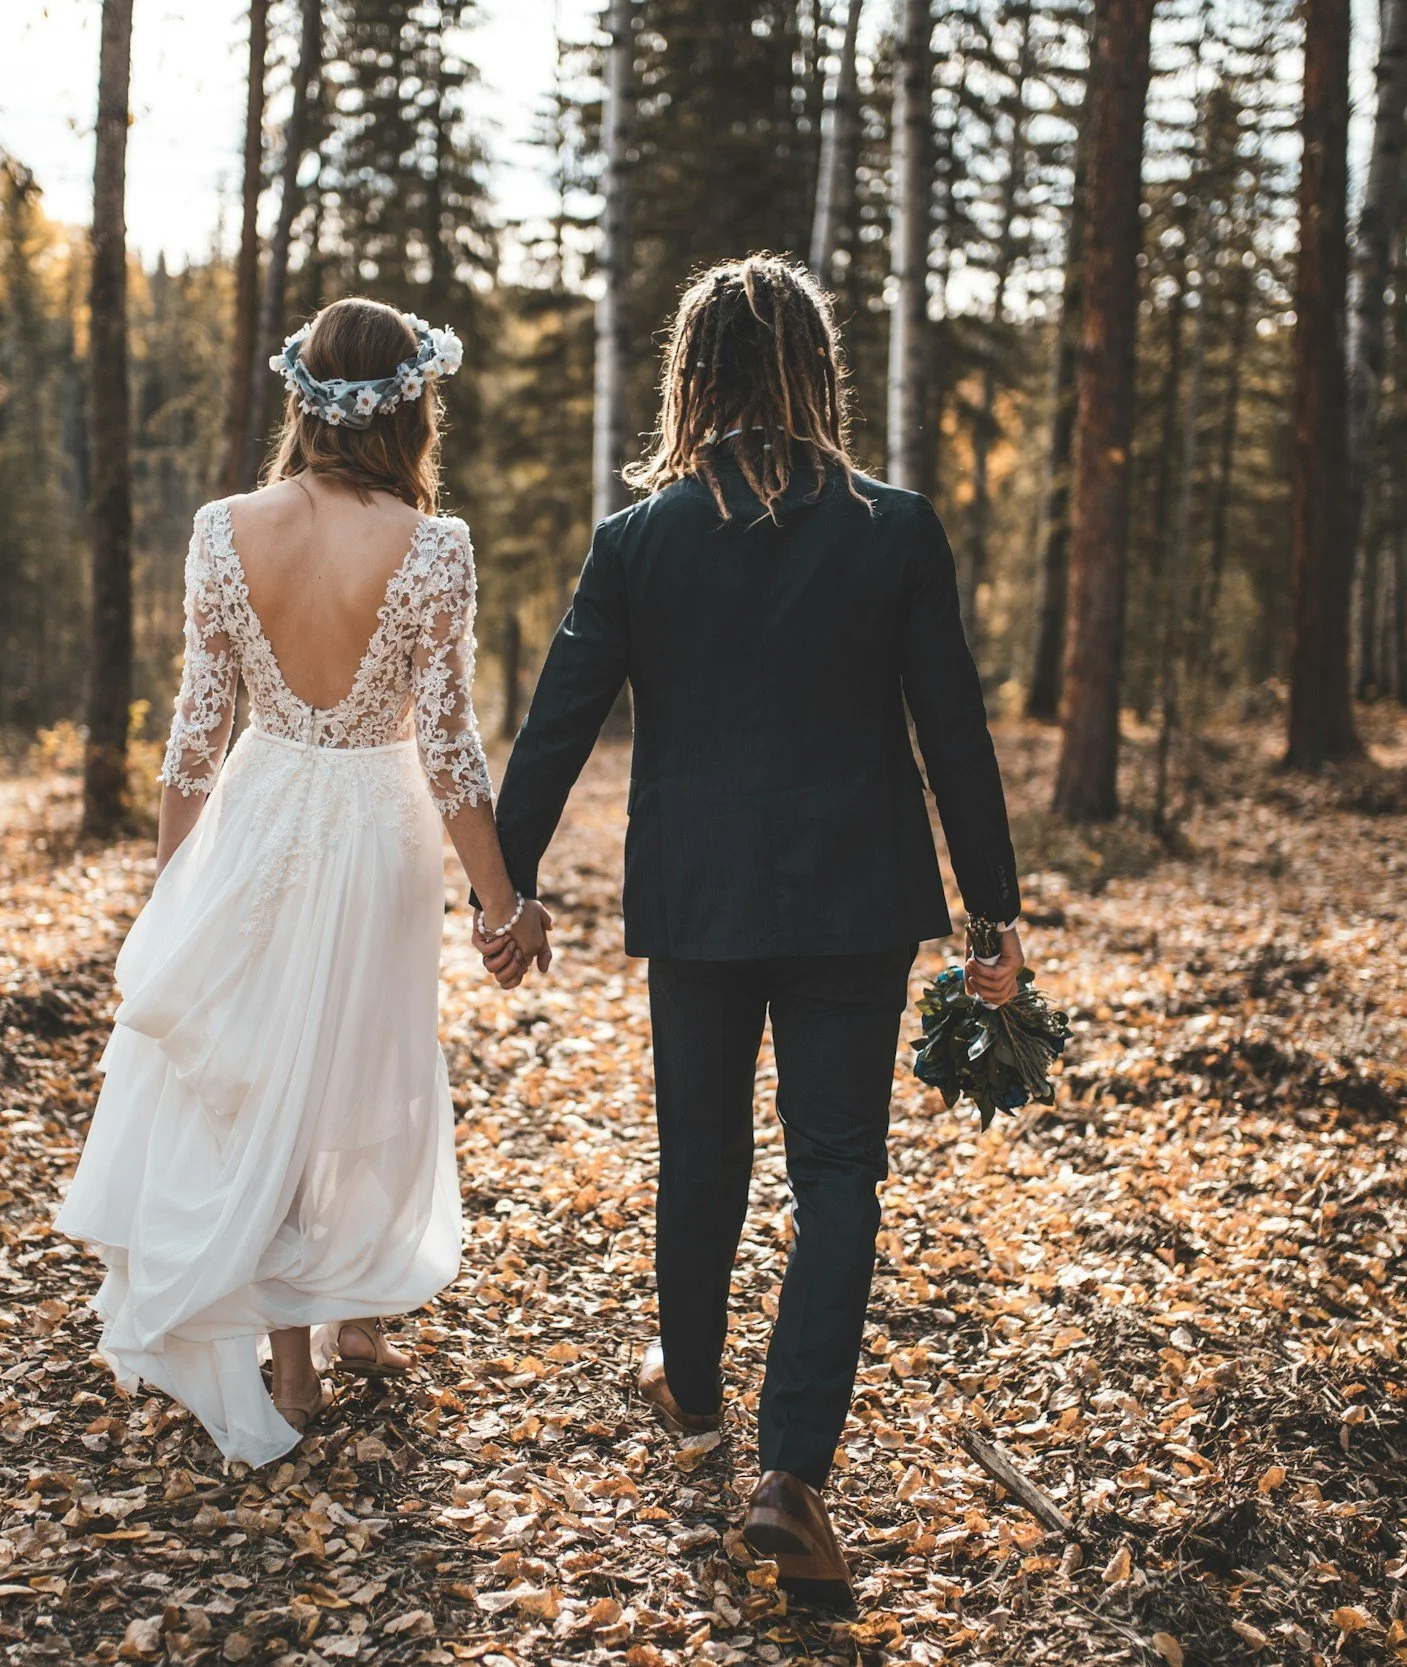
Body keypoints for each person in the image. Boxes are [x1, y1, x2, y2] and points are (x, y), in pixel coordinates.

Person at [487, 255, 1028, 1608]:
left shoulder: (639, 541)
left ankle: (693, 1398)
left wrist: (506, 886)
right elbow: (953, 731)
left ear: (692, 375)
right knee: (841, 1173)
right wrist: (993, 917)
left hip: (701, 900)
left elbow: (558, 720)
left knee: (702, 1151)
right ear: (816, 372)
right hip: (857, 901)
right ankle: (789, 1470)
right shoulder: (894, 528)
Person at [54, 298, 549, 1469]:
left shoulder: (225, 529)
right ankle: (352, 1309)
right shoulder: (434, 548)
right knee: (365, 1056)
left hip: (260, 810)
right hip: (379, 825)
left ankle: (299, 1346)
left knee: (268, 1058)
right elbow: (450, 750)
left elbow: (193, 733)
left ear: (303, 399)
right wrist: (499, 902)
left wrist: (181, 889)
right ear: (409, 407)